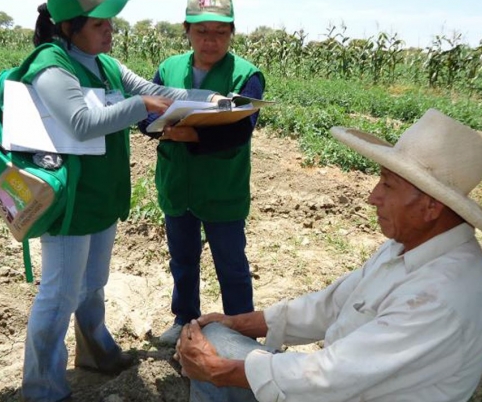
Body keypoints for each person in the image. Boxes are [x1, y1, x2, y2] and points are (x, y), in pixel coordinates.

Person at [176, 108, 482, 402]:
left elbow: (334, 375)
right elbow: (329, 306)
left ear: (431, 207)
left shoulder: (441, 295)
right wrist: (236, 323)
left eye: (388, 185)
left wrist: (219, 371)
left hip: (346, 390)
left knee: (213, 353)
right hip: (346, 386)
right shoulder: (409, 246)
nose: (373, 196)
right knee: (215, 335)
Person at [18, 0, 224, 401]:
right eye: (99, 24)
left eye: (111, 21)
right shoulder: (51, 65)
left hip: (101, 196)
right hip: (69, 199)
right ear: (69, 27)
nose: (111, 30)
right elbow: (80, 122)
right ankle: (42, 389)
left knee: (93, 283)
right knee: (59, 294)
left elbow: (157, 91)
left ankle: (95, 351)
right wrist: (139, 107)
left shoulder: (106, 65)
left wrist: (216, 100)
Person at [138, 0, 265, 346]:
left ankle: (240, 328)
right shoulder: (168, 68)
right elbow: (145, 112)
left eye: (220, 33)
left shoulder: (246, 75)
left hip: (222, 186)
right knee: (182, 259)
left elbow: (242, 129)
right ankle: (185, 318)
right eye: (202, 31)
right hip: (177, 183)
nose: (211, 41)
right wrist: (156, 127)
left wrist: (193, 135)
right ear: (187, 30)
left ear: (232, 33)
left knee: (231, 263)